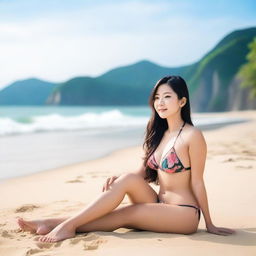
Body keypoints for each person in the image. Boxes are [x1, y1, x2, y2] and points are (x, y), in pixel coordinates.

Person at [17, 75, 235, 243]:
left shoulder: (192, 135)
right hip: (158, 204)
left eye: (167, 96)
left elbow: (197, 181)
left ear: (182, 101)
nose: (160, 102)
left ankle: (65, 225)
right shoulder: (159, 134)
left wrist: (209, 223)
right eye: (157, 97)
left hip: (183, 212)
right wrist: (119, 180)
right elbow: (139, 175)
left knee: (126, 213)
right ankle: (53, 223)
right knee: (126, 179)